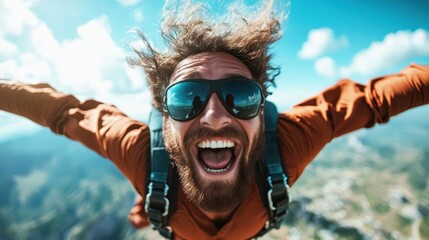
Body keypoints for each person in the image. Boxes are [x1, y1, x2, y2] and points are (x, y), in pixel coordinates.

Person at [1, 0, 429, 239]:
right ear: (164, 118)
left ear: (262, 112)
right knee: (146, 205)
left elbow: (375, 99)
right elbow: (63, 110)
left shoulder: (290, 140)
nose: (215, 115)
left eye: (240, 96)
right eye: (186, 98)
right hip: (160, 192)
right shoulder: (139, 151)